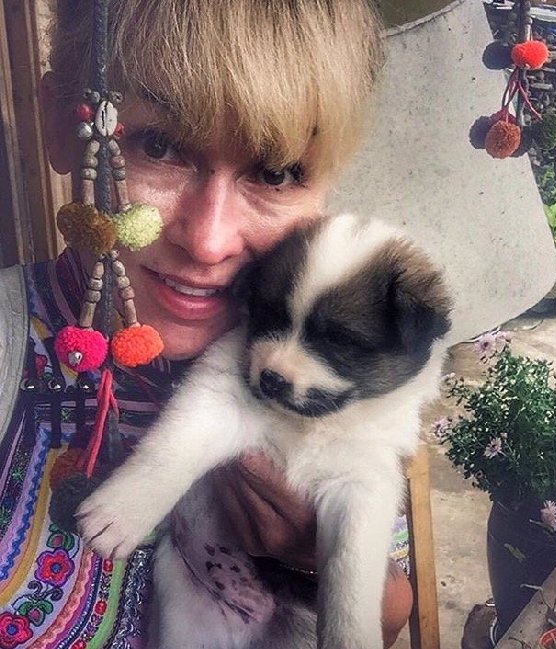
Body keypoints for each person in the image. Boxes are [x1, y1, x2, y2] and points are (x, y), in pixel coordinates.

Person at [0, 1, 413, 646]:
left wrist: (311, 558)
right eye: (157, 145)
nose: (209, 241)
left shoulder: (331, 356)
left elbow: (388, 612)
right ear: (58, 123)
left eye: (277, 172)